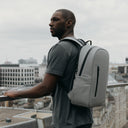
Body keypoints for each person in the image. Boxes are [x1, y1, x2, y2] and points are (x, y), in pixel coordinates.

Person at [4, 9, 93, 128]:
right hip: (85, 119)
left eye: (55, 20)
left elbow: (45, 88)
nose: (50, 23)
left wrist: (16, 93)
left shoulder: (60, 48)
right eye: (50, 20)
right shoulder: (82, 46)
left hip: (66, 122)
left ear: (69, 23)